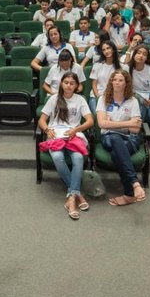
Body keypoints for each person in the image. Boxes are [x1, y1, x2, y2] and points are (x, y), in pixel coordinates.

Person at [38, 72, 94, 220]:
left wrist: (76, 129)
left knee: (78, 159)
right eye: (66, 82)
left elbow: (89, 121)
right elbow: (42, 119)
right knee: (57, 157)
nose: (68, 85)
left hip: (73, 135)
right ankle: (77, 194)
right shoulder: (54, 99)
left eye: (72, 83)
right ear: (61, 83)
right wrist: (47, 129)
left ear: (76, 86)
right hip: (56, 134)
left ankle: (71, 198)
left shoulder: (80, 99)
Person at [96, 70, 147, 206]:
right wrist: (127, 123)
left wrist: (112, 124)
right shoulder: (103, 99)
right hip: (109, 137)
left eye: (120, 80)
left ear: (126, 83)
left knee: (116, 152)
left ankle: (129, 195)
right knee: (114, 138)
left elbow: (135, 129)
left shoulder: (133, 101)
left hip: (130, 139)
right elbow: (102, 124)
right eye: (114, 80)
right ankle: (135, 183)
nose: (117, 82)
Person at [89, 41, 127, 113]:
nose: (106, 51)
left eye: (108, 48)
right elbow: (94, 84)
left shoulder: (122, 67)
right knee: (99, 116)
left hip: (115, 97)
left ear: (113, 49)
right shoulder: (97, 65)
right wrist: (98, 98)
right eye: (103, 50)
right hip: (97, 95)